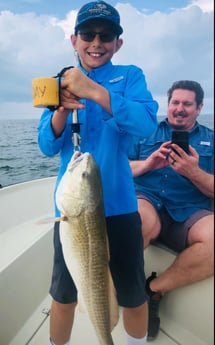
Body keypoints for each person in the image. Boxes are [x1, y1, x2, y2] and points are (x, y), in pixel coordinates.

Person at [38, 1, 159, 344]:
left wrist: (93, 91)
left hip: (119, 209)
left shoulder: (131, 77)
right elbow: (47, 145)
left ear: (118, 43)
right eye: (88, 34)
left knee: (133, 294)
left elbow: (146, 124)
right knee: (64, 296)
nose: (96, 42)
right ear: (74, 40)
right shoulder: (53, 83)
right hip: (71, 214)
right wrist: (61, 107)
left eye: (106, 35)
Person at [129, 80, 214, 341]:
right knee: (135, 222)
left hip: (189, 210)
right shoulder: (144, 131)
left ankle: (151, 291)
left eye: (187, 104)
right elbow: (120, 168)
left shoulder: (211, 139)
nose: (179, 108)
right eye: (175, 102)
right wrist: (147, 165)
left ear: (199, 108)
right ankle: (125, 288)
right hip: (148, 200)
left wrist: (193, 172)